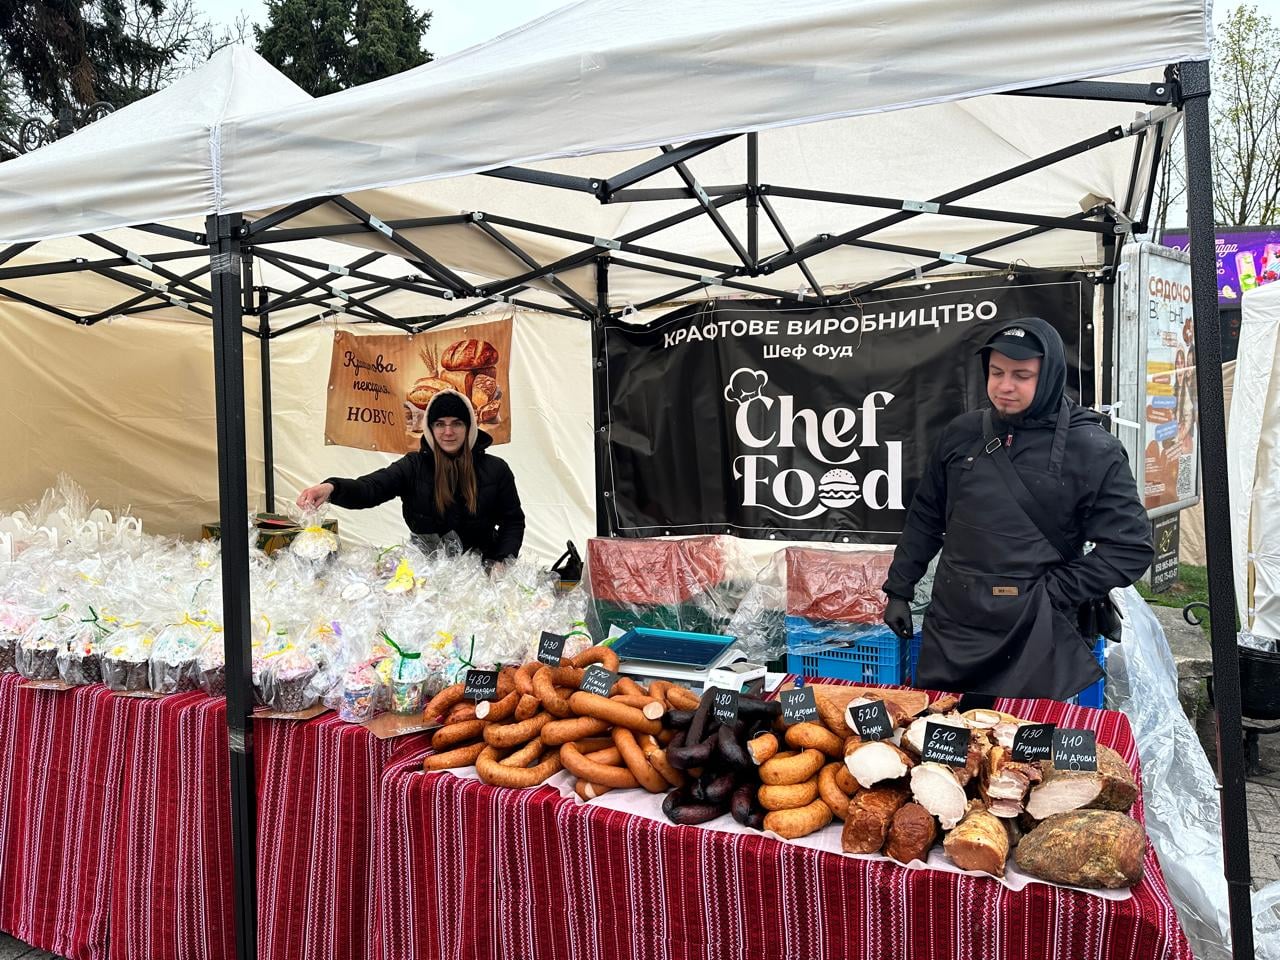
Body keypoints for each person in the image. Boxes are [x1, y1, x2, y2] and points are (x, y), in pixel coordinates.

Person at [881, 318, 1153, 700]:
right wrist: (899, 589)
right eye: (996, 372)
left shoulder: (1092, 448)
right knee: (945, 744)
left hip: (1035, 628)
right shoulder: (962, 433)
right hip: (956, 621)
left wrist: (1056, 591)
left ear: (1050, 375)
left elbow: (1131, 548)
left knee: (1022, 751)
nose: (1005, 387)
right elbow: (926, 516)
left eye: (1022, 376)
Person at [297, 389, 525, 565]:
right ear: (430, 428)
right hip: (425, 570)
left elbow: (512, 521)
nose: (448, 432)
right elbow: (370, 488)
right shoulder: (414, 466)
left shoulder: (496, 469)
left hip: (482, 570)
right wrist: (331, 488)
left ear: (469, 427)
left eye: (457, 423)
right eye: (440, 424)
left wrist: (501, 561)